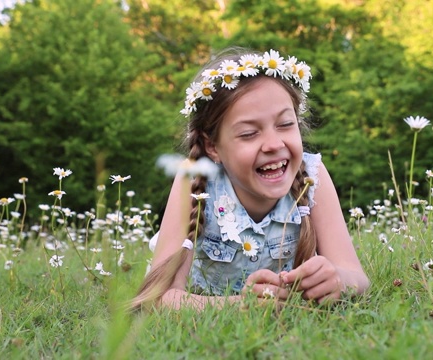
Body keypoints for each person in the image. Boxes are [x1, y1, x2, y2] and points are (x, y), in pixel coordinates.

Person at [132, 47, 369, 311]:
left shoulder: (312, 176)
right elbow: (159, 297)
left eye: (285, 124)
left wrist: (338, 280)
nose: (273, 144)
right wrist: (237, 305)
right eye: (248, 134)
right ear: (213, 147)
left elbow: (357, 277)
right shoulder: (196, 177)